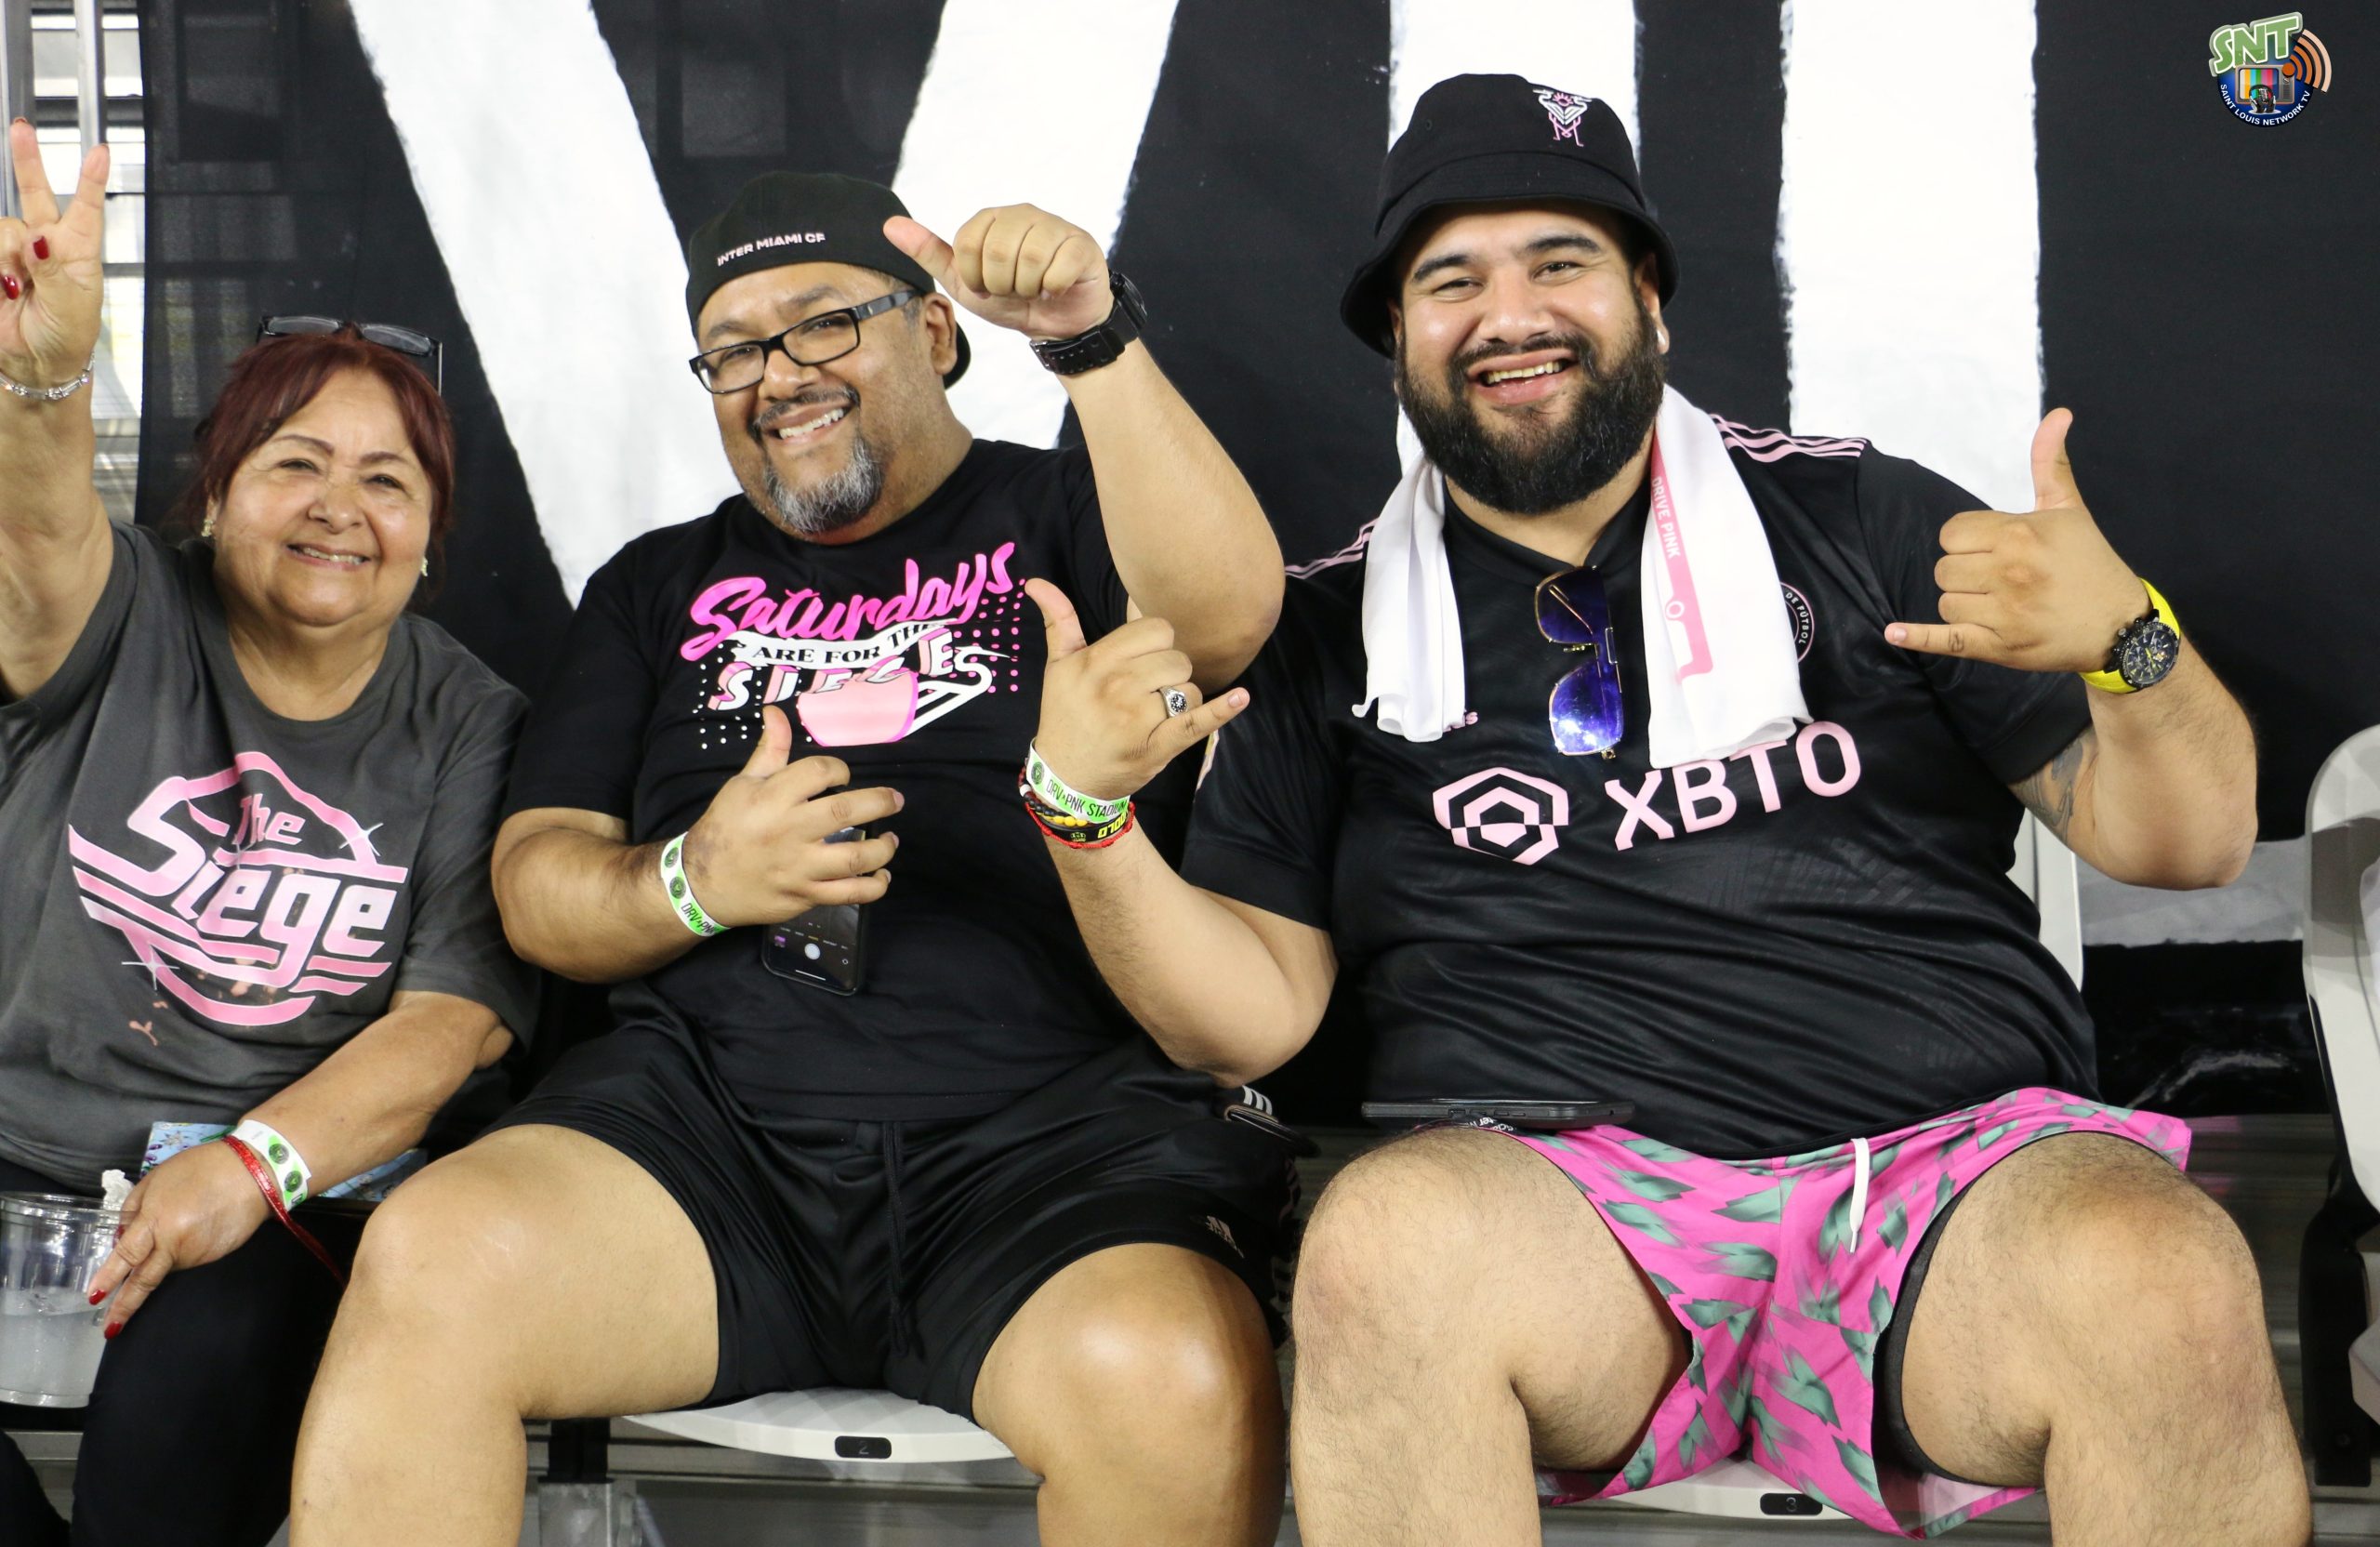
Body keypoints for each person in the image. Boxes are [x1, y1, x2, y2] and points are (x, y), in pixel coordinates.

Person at [1025, 74, 2298, 1544]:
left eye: (1558, 262)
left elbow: (2187, 845)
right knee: (1381, 1241)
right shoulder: (1327, 631)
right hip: (1566, 1221)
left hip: (1947, 1181)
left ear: (1651, 304)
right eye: (1452, 281)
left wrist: (2133, 643)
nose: (1509, 314)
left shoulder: (1864, 517)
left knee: (2162, 1274)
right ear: (1397, 342)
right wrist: (1084, 814)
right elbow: (1244, 1024)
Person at [292, 173, 1297, 1547]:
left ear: (934, 332)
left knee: (1176, 1378)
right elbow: (537, 886)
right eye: (734, 350)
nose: (778, 375)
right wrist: (696, 881)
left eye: (824, 324)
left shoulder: (1071, 511)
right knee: (436, 1256)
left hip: (1051, 1151)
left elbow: (1225, 620)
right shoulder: (655, 584)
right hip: (707, 1145)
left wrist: (1089, 338)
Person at [0, 121, 534, 1546]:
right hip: (22, 1161)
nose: (339, 510)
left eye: (388, 481)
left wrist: (250, 1169)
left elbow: (451, 1025)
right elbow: (39, 539)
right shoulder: (121, 613)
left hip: (284, 1192)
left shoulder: (471, 721)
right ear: (221, 486)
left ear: (431, 532)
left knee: (188, 1409)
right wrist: (45, 377)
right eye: (298, 462)